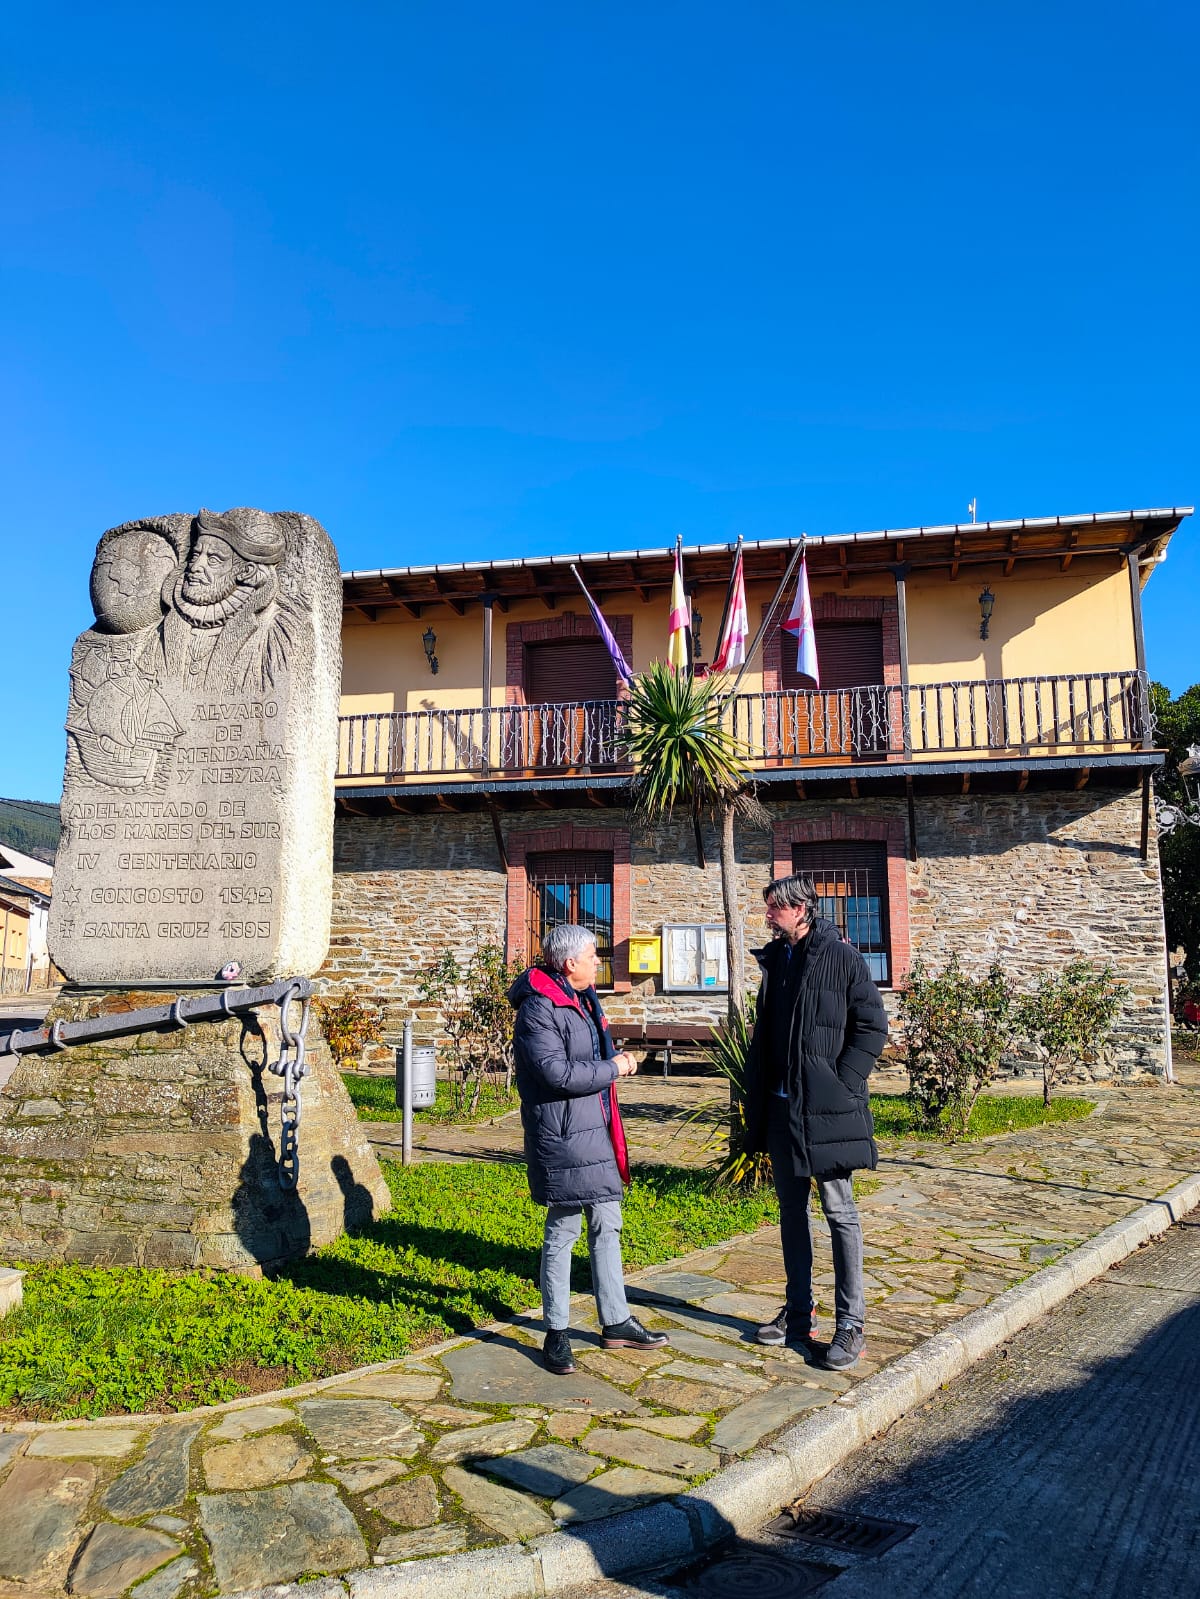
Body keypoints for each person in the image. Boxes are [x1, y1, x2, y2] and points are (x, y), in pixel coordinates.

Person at [508, 923, 670, 1374]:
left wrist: (611, 1065)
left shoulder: (581, 999)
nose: (599, 961)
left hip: (594, 1132)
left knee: (608, 1223)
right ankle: (556, 1332)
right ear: (568, 963)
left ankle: (615, 1320)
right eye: (591, 955)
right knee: (563, 1230)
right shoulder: (538, 1009)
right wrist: (614, 1067)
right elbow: (556, 1075)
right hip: (562, 1137)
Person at [743, 872, 888, 1370]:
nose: (767, 915)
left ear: (801, 908)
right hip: (782, 1109)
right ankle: (800, 1312)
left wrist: (843, 1085)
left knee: (840, 1214)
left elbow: (872, 1025)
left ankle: (851, 1325)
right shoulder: (777, 959)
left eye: (774, 908)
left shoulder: (842, 957)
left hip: (827, 1110)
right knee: (791, 1214)